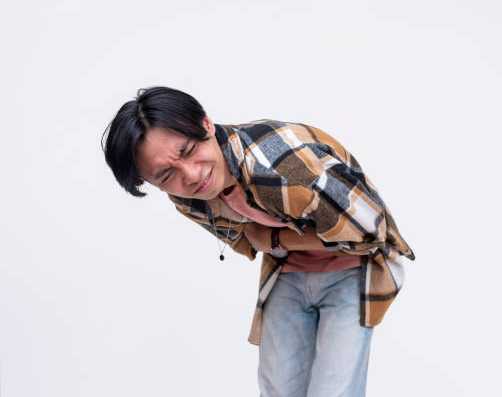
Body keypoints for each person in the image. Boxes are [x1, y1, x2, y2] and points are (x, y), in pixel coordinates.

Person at [102, 86, 415, 397]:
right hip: (287, 273)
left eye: (187, 151)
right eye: (165, 175)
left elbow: (374, 233)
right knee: (278, 390)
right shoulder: (186, 199)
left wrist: (274, 237)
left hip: (353, 269)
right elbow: (248, 243)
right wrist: (273, 241)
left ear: (206, 125)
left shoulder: (282, 166)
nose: (192, 176)